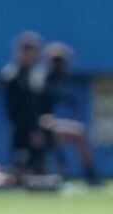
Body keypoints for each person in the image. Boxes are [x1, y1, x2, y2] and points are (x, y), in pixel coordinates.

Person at [33, 42, 101, 185]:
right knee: (66, 131)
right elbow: (37, 95)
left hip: (47, 121)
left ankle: (89, 173)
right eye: (57, 61)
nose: (61, 65)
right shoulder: (41, 75)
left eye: (62, 61)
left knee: (80, 132)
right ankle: (61, 171)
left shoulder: (54, 77)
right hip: (35, 123)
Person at [1, 31, 46, 179]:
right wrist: (30, 130)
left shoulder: (34, 74)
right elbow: (15, 109)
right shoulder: (12, 75)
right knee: (20, 171)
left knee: (37, 166)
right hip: (21, 130)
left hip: (34, 127)